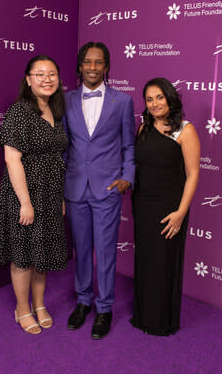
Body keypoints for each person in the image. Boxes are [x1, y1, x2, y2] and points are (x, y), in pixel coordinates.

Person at [64, 41, 135, 339]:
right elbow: (65, 144)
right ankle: (83, 302)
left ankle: (104, 308)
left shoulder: (123, 101)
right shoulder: (65, 100)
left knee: (105, 252)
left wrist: (126, 178)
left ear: (107, 67)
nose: (93, 67)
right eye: (87, 62)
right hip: (75, 187)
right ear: (80, 66)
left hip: (107, 188)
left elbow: (129, 145)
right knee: (81, 251)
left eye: (99, 62)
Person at [0, 55, 68, 334]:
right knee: (23, 254)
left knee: (43, 253)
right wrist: (25, 202)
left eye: (52, 74)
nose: (46, 79)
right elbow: (12, 159)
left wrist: (59, 196)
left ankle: (39, 304)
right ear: (28, 79)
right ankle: (22, 308)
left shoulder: (54, 110)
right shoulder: (19, 111)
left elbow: (55, 158)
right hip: (24, 193)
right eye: (39, 74)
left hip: (50, 193)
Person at [130, 78, 200, 336]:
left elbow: (192, 175)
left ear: (171, 98)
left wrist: (181, 213)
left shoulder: (185, 130)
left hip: (170, 207)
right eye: (149, 99)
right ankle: (143, 316)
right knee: (146, 260)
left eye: (160, 97)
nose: (155, 103)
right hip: (143, 204)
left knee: (164, 262)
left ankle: (161, 321)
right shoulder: (142, 128)